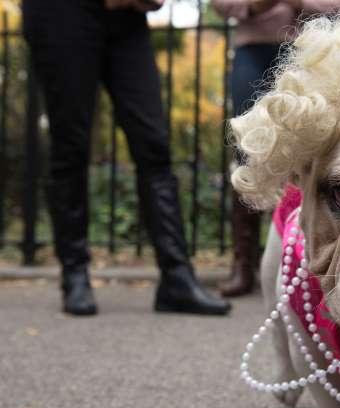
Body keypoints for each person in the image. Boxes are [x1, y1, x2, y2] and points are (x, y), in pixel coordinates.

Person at [22, 0, 231, 316]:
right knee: (71, 146)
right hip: (62, 12)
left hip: (126, 16)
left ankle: (177, 277)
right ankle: (75, 275)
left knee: (154, 145)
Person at [212, 0, 340, 297]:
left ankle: (309, 257)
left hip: (310, 47)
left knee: (311, 149)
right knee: (247, 151)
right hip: (253, 48)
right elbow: (223, 5)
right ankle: (243, 263)